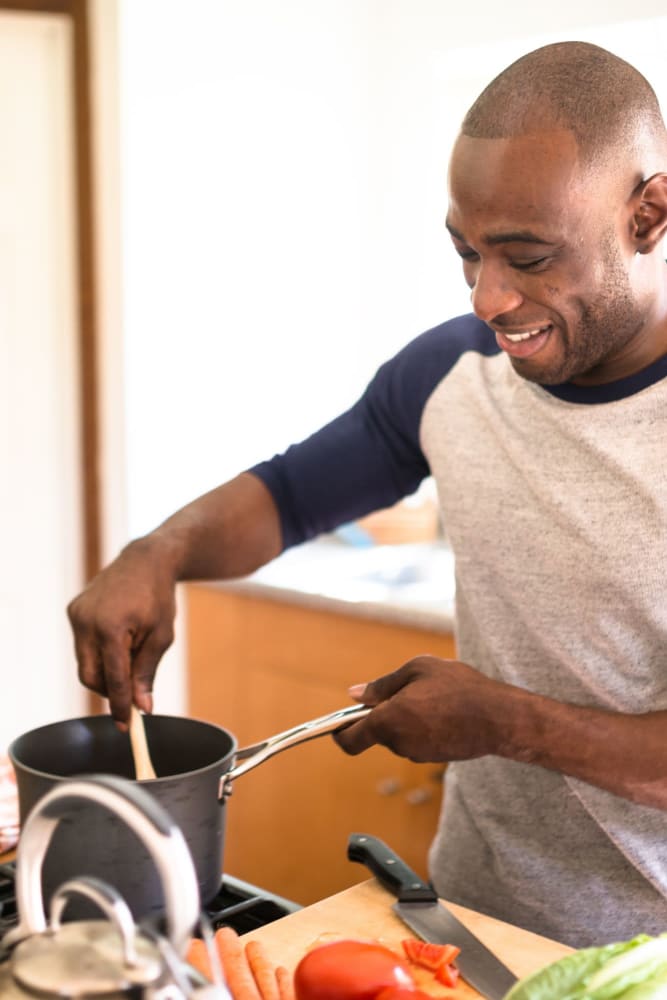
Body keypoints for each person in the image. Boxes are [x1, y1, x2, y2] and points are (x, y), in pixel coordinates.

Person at [68, 40, 667, 949]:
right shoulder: (451, 372)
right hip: (472, 922)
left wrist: (504, 722)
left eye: (527, 256)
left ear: (648, 215)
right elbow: (289, 493)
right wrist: (160, 552)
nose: (487, 298)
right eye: (465, 252)